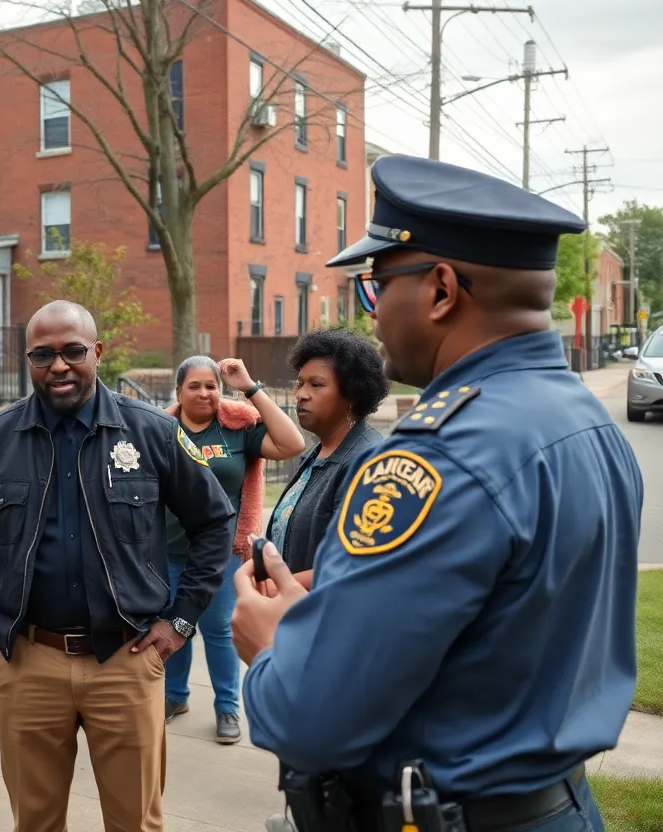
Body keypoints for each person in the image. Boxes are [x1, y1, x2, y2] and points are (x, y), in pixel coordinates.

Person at [232, 155, 643, 832]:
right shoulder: (586, 420)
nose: (372, 310)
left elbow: (311, 718)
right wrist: (336, 614)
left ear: (442, 290)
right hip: (557, 806)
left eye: (375, 286)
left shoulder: (440, 454)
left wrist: (276, 647)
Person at [0, 300, 236, 832]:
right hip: (28, 662)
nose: (58, 366)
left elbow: (214, 523)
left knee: (136, 824)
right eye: (42, 355)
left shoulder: (152, 434)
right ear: (27, 360)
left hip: (127, 660)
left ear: (97, 352)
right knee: (36, 822)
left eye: (73, 351)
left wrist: (180, 622)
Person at [161, 355, 304, 742]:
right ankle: (174, 696)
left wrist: (250, 388)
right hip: (167, 552)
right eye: (195, 385)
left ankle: (227, 707)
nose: (205, 393)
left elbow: (293, 443)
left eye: (212, 386)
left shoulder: (237, 431)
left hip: (220, 555)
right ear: (179, 391)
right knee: (175, 627)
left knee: (220, 631)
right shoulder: (160, 430)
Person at [265, 328, 389, 589]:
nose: (301, 394)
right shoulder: (318, 453)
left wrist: (278, 586)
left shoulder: (366, 461)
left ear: (352, 394)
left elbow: (354, 563)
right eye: (300, 383)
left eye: (316, 384)